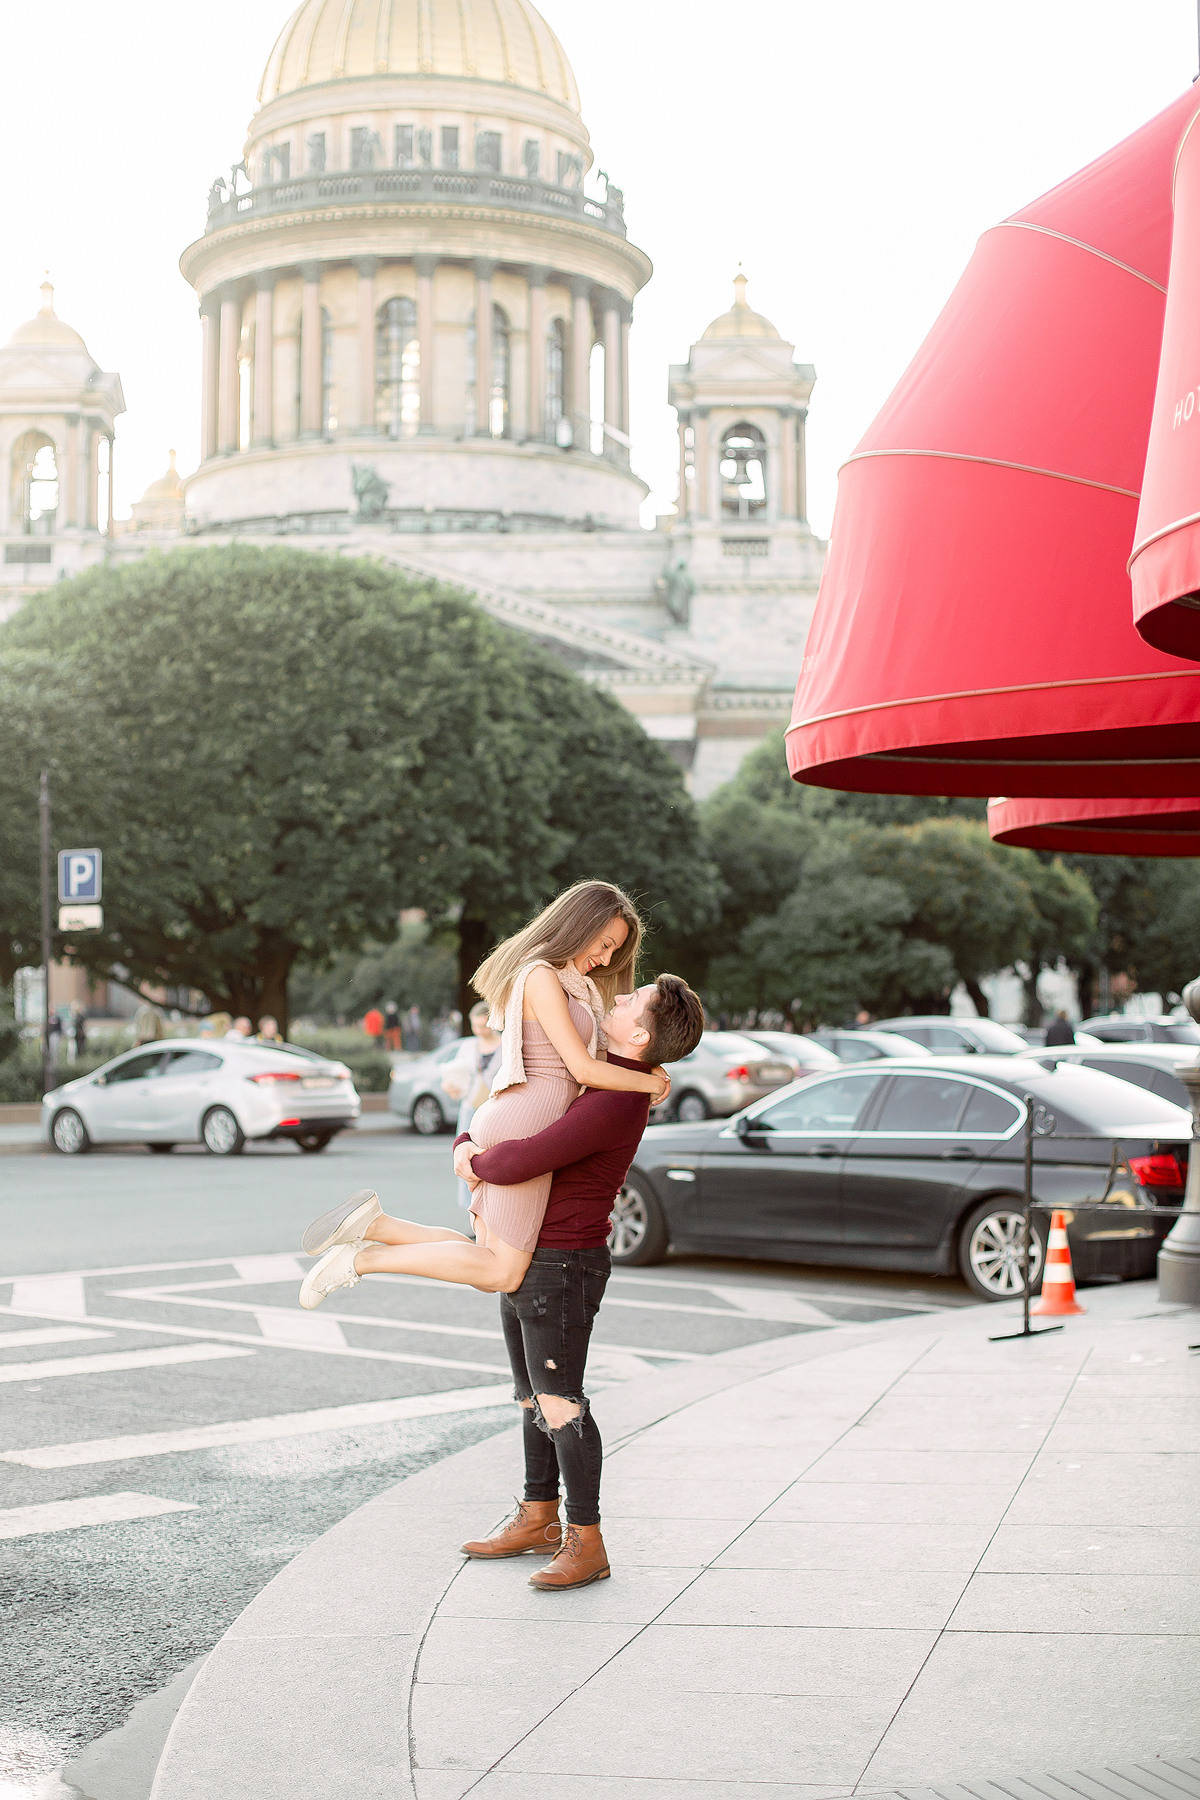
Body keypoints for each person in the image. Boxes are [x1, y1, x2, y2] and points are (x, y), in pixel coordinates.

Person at [297, 880, 669, 1305]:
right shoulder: (542, 976)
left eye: (613, 953)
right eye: (603, 945)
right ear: (579, 924)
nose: (604, 959)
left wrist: (650, 1066)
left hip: (518, 1114)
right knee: (503, 1270)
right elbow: (582, 1068)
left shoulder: (569, 983)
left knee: (483, 1253)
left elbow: (599, 1055)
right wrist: (651, 1082)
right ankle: (362, 1262)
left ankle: (378, 1226)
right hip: (526, 1118)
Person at [453, 973, 704, 1589]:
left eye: (628, 1000)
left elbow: (524, 1158)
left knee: (563, 1404)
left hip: (563, 1263)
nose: (615, 998)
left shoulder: (615, 1099)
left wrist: (466, 1156)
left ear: (639, 1033)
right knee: (532, 1398)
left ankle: (586, 1540)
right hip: (533, 1251)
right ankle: (538, 1514)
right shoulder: (606, 1077)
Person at [440, 1001, 502, 1207]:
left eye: (484, 1026)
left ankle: (490, 1207)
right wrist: (451, 1086)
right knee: (463, 1157)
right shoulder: (467, 1046)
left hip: (495, 1109)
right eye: (476, 1027)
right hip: (469, 1107)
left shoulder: (505, 1045)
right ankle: (470, 1207)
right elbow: (456, 1074)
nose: (480, 1031)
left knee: (491, 1158)